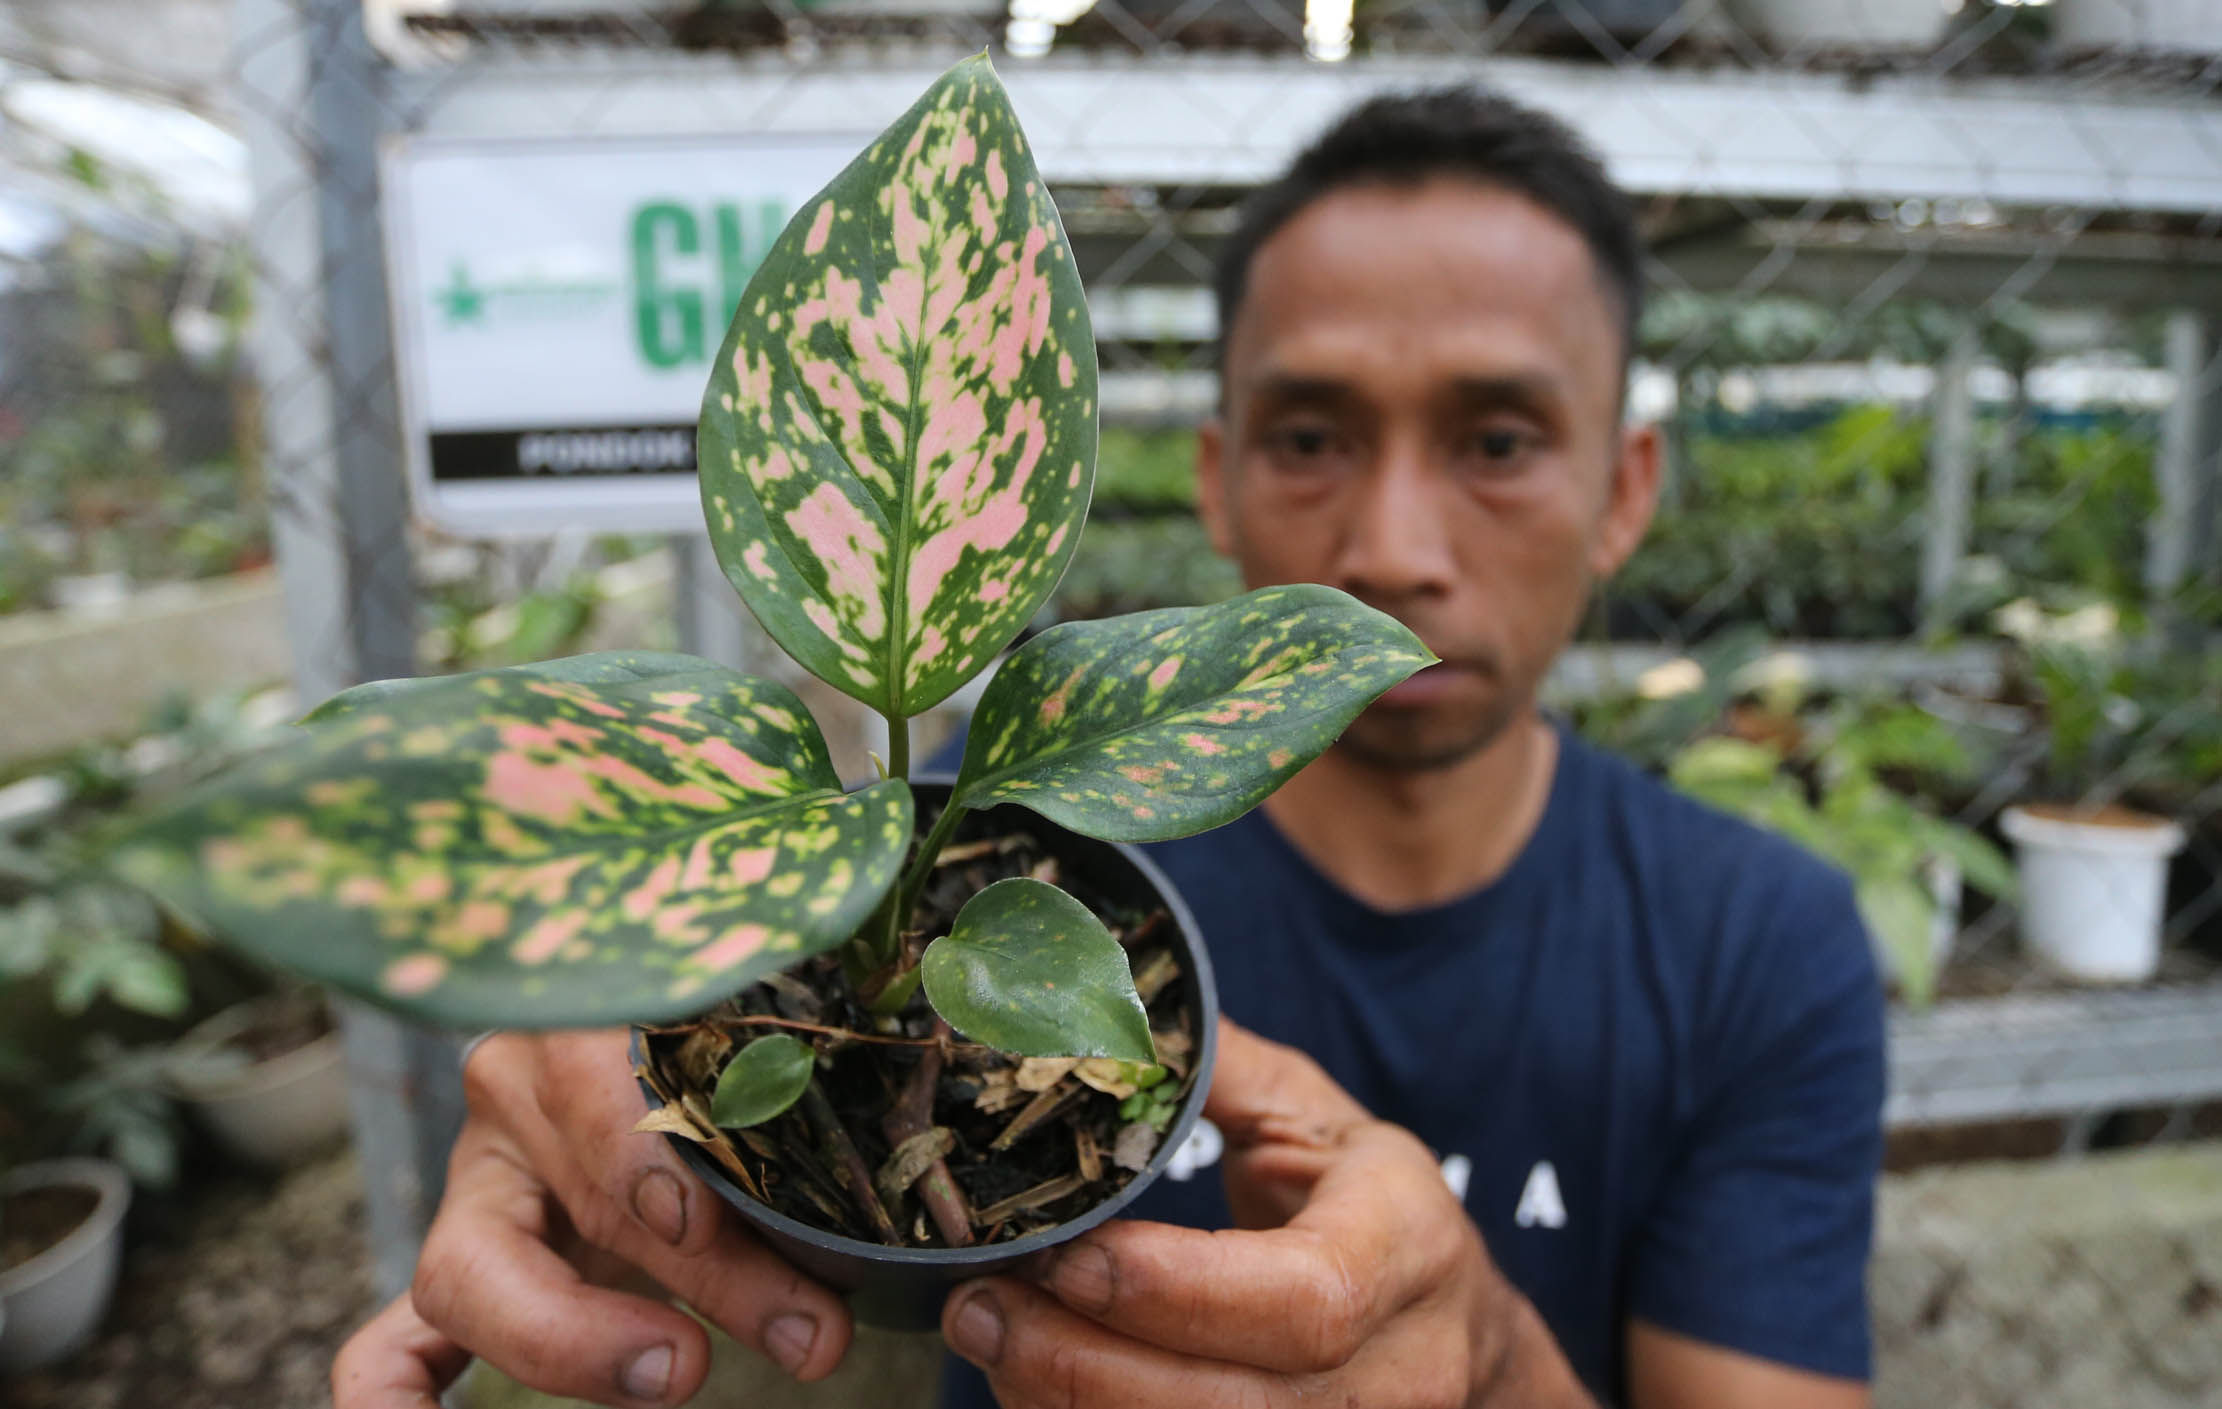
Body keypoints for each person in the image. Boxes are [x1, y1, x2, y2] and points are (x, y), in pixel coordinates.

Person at [332, 86, 1884, 1409]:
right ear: (1213, 478)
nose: (1396, 547)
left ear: (1623, 487)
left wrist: (1485, 1356)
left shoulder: (1760, 947)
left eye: (1495, 441)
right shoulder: (931, 853)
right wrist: (617, 1122)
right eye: (1308, 436)